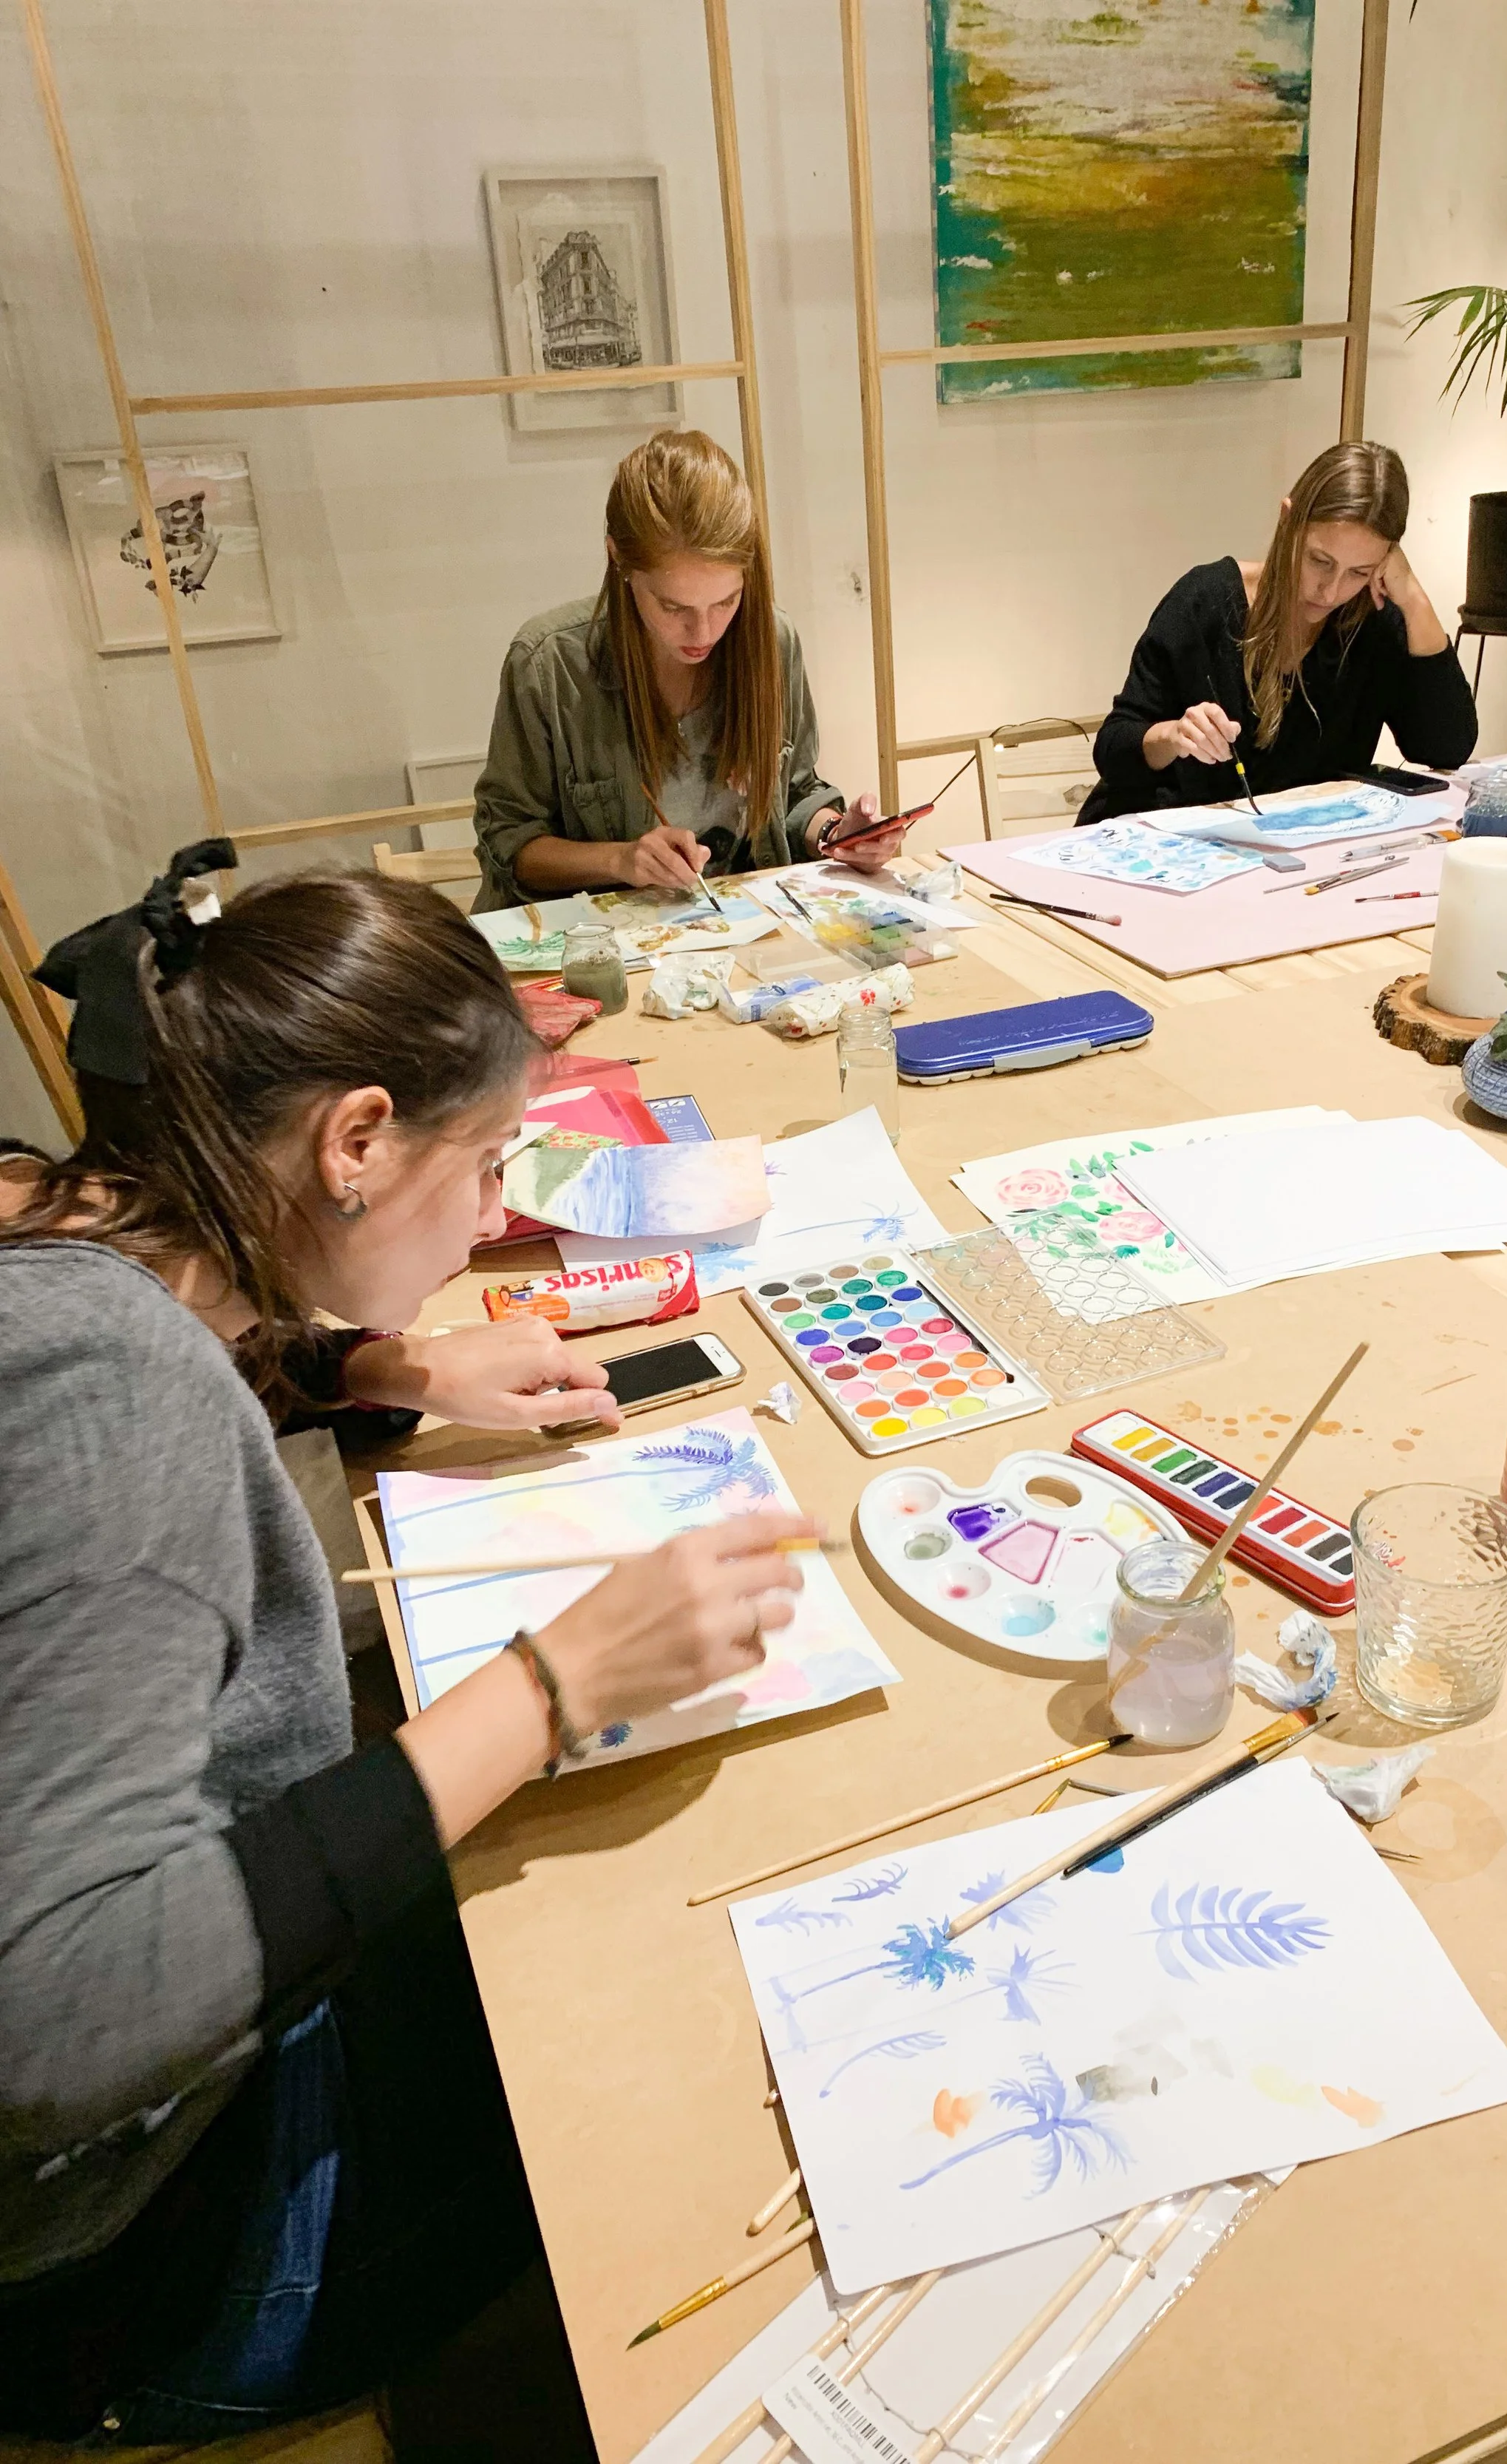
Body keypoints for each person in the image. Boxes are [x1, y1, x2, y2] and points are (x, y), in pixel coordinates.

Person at [0, 850, 814, 2446]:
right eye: (491, 1156)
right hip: (141, 2266)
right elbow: (62, 2017)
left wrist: (389, 1363)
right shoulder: (115, 1395)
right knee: (678, 2044)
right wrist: (554, 1682)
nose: (504, 1211)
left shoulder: (66, 1210)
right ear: (356, 1138)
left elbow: (209, 1329)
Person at [473, 428, 901, 909]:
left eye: (726, 601)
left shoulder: (770, 642)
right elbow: (507, 843)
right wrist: (620, 860)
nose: (703, 633)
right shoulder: (549, 666)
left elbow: (797, 793)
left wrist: (840, 834)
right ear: (620, 561)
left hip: (739, 935)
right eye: (674, 606)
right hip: (599, 950)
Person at [1078, 440, 1477, 825]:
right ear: (1288, 520)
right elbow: (1114, 748)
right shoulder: (1207, 601)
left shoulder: (1370, 621)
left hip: (1292, 854)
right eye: (1320, 560)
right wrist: (1172, 736)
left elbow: (1445, 748)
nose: (1332, 590)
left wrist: (1414, 600)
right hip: (1161, 840)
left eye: (1359, 571)